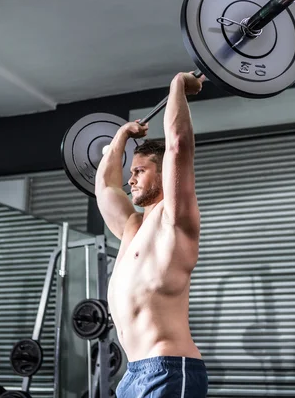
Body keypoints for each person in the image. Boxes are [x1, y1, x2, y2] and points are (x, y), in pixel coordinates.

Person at [94, 71, 208, 398]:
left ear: (162, 175)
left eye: (140, 171)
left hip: (170, 369)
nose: (131, 180)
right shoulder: (132, 227)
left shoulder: (175, 217)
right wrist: (120, 138)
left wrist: (177, 87)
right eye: (131, 172)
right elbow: (104, 187)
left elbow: (178, 145)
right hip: (132, 373)